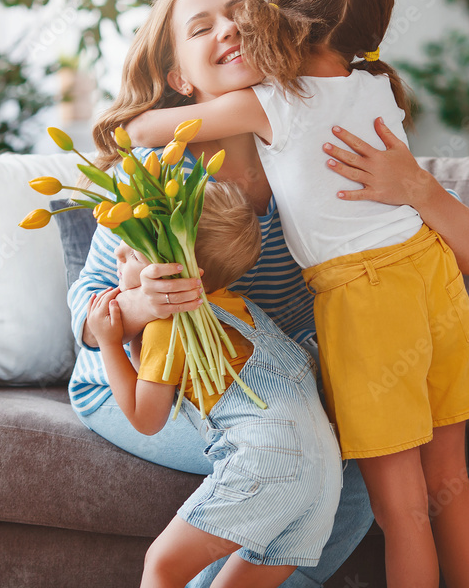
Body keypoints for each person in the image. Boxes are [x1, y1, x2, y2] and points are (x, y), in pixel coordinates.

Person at [69, 0, 469, 588]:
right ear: (179, 75)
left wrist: (417, 186)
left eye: (241, 13)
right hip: (141, 383)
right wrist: (141, 306)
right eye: (202, 26)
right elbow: (85, 305)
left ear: (279, 32)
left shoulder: (325, 138)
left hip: (271, 377)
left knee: (349, 454)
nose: (229, 30)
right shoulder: (158, 173)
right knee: (295, 451)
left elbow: (463, 249)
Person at [87, 181, 341, 588]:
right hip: (325, 474)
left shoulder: (170, 328)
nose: (118, 253)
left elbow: (146, 419)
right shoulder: (244, 309)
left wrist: (108, 341)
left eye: (133, 253)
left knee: (162, 566)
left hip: (268, 459)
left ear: (182, 271)